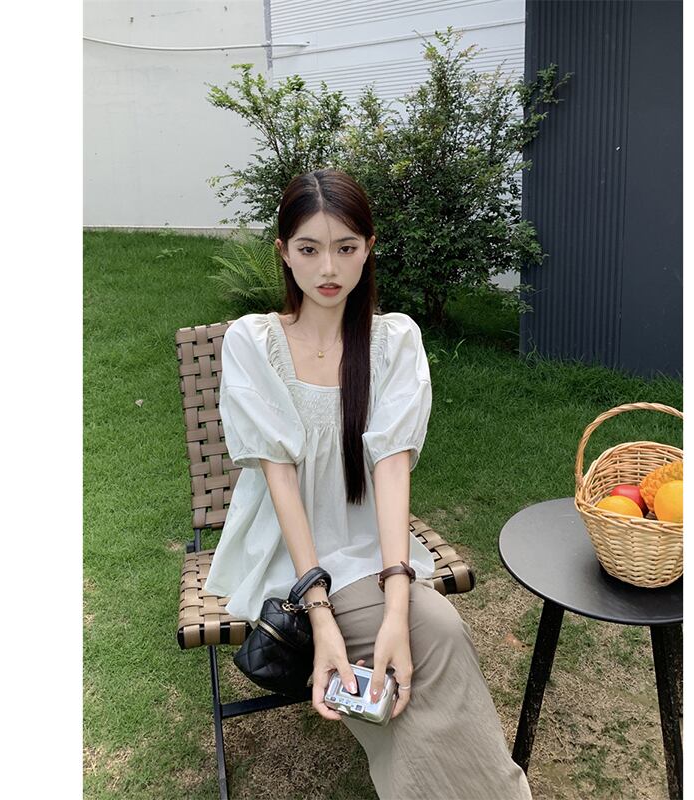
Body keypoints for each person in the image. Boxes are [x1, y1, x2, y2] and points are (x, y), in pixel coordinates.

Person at [204, 169, 532, 800]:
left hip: (373, 552)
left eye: (346, 247)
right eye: (309, 249)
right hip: (291, 557)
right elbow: (280, 482)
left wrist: (397, 602)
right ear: (284, 252)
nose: (329, 268)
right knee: (426, 653)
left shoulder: (393, 342)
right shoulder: (254, 342)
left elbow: (391, 470)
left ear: (369, 248)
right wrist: (320, 615)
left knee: (434, 633)